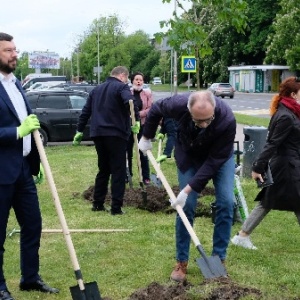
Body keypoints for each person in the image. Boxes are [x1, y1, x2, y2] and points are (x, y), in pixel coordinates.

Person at [138, 90, 236, 282]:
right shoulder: (177, 104)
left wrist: (188, 189)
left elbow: (214, 162)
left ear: (214, 109)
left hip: (219, 159)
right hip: (189, 155)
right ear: (188, 111)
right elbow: (156, 108)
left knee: (226, 202)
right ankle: (181, 261)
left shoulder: (227, 120)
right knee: (186, 206)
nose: (204, 125)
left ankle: (219, 258)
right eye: (199, 121)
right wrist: (147, 136)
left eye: (208, 120)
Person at [0, 32, 58, 300]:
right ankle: (0, 287)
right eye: (8, 50)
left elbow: (25, 119)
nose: (14, 54)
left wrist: (34, 157)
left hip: (23, 168)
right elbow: (15, 127)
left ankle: (30, 277)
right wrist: (16, 131)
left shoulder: (15, 83)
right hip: (1, 172)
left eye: (15, 49)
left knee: (33, 224)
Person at [231, 76, 300, 250]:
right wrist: (257, 167)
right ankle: (242, 236)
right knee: (272, 201)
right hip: (286, 167)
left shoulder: (288, 111)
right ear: (293, 94)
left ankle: (242, 236)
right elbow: (272, 143)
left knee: (268, 201)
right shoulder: (286, 116)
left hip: (288, 164)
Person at [73, 66, 140, 215]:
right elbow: (130, 103)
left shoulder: (96, 90)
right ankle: (116, 208)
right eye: (127, 78)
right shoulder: (121, 87)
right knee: (118, 170)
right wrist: (137, 121)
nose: (127, 81)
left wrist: (79, 130)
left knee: (103, 169)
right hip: (116, 134)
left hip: (98, 134)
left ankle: (98, 204)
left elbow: (86, 111)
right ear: (122, 75)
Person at [126, 72, 153, 184]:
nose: (138, 81)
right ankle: (128, 175)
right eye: (136, 79)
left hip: (142, 126)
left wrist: (138, 114)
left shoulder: (147, 94)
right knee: (128, 152)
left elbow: (150, 109)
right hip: (129, 126)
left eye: (140, 80)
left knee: (142, 151)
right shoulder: (127, 93)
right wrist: (130, 116)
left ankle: (145, 176)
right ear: (132, 81)